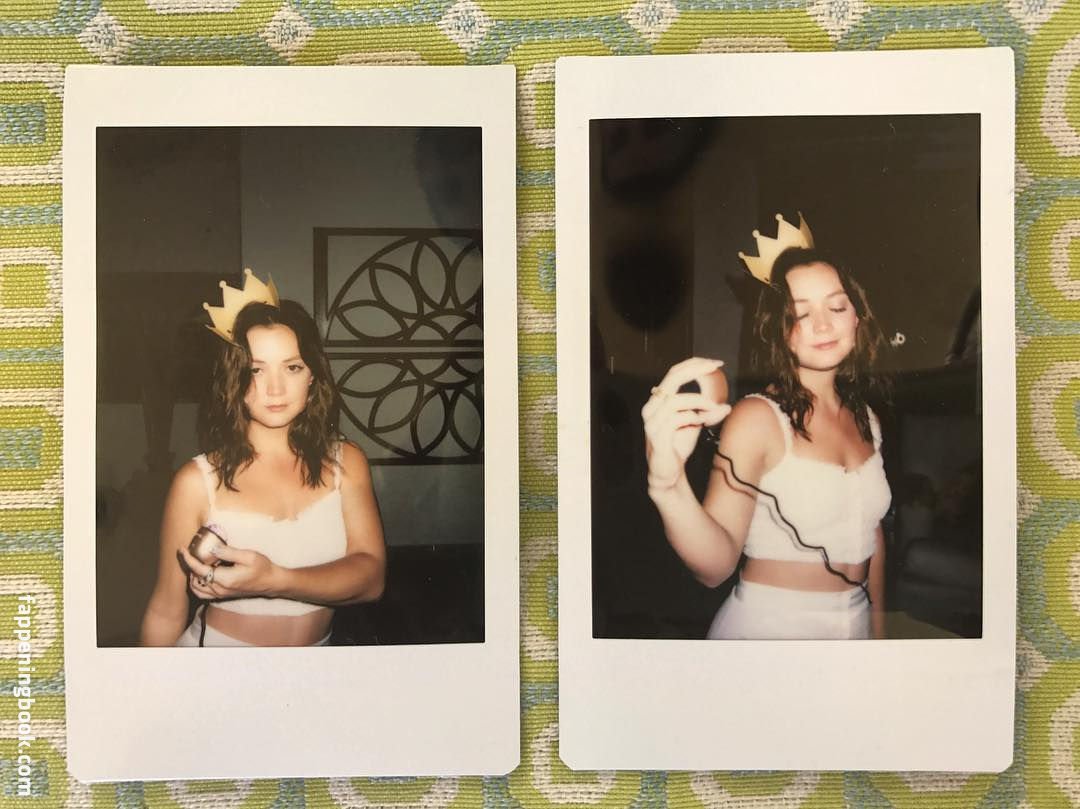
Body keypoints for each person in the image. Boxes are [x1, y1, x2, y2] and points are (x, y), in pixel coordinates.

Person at [642, 214, 891, 639]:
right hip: (770, 631)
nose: (823, 325)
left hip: (855, 626)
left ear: (857, 316)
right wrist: (667, 485)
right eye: (801, 313)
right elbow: (715, 567)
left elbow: (872, 534)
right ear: (780, 331)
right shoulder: (758, 418)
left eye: (836, 306)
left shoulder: (866, 418)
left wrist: (880, 639)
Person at [140, 270, 386, 647]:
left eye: (292, 367)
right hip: (217, 665)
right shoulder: (196, 481)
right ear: (233, 379)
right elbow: (166, 610)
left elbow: (371, 580)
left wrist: (274, 580)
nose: (275, 388)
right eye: (255, 370)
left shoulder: (347, 462)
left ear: (313, 375)